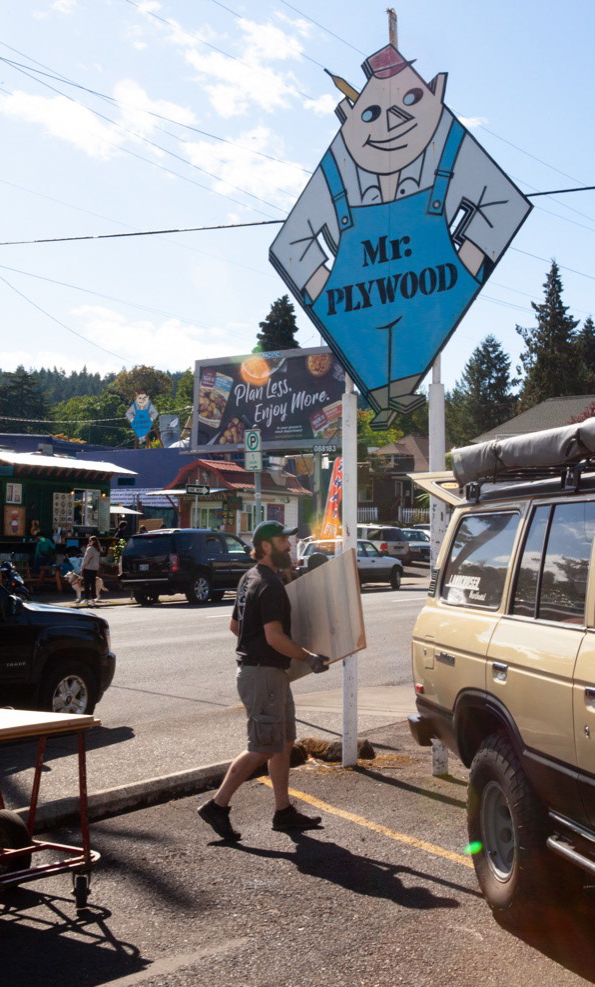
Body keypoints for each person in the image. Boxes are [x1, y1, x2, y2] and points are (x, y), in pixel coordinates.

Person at [269, 43, 532, 425]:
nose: (389, 123)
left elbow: (503, 202)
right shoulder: (334, 177)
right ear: (348, 116)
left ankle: (394, 391)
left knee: (405, 368)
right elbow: (293, 243)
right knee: (378, 373)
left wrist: (467, 266)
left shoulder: (452, 153)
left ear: (435, 95)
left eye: (410, 99)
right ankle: (383, 394)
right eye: (371, 113)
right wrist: (325, 292)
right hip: (360, 317)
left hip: (425, 310)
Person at [198, 520, 329, 842]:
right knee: (261, 747)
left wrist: (257, 643)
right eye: (284, 541)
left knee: (282, 743)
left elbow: (234, 626)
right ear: (267, 545)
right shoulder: (269, 584)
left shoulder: (249, 578)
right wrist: (308, 657)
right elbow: (274, 637)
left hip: (266, 673)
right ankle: (217, 805)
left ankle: (283, 811)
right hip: (262, 674)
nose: (290, 546)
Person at [80, 535, 102, 607]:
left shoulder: (90, 549)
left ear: (94, 541)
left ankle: (86, 599)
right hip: (95, 569)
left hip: (88, 568)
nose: (89, 542)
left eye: (90, 540)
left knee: (86, 584)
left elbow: (86, 559)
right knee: (93, 584)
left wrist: (82, 567)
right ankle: (93, 599)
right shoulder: (98, 549)